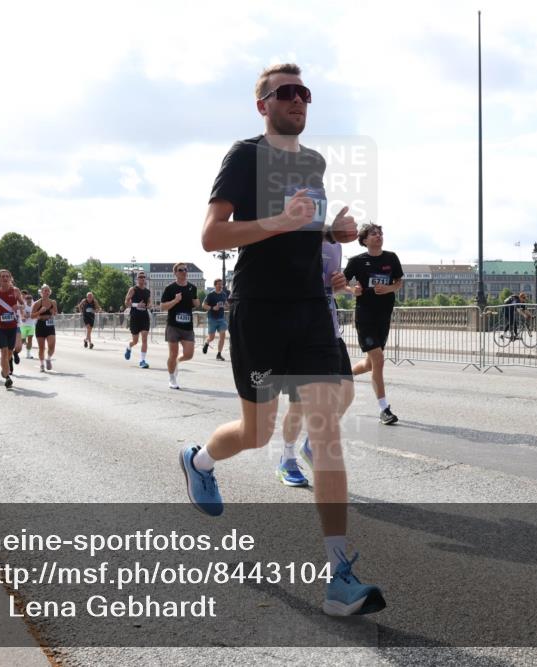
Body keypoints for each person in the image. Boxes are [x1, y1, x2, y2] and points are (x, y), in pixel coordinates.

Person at [180, 63, 384, 616]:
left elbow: (302, 222)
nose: (298, 100)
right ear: (263, 105)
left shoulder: (313, 162)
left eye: (304, 93)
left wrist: (329, 230)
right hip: (260, 311)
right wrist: (277, 220)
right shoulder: (244, 156)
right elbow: (211, 235)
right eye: (285, 93)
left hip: (310, 307)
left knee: (327, 426)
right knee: (255, 431)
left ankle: (339, 573)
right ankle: (199, 460)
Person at [276, 239, 356, 487]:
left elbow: (332, 288)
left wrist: (340, 285)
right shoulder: (286, 239)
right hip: (300, 334)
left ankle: (310, 445)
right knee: (299, 406)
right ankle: (286, 459)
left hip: (330, 331)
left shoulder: (333, 243)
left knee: (347, 393)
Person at [344, 223, 404, 425]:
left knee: (371, 363)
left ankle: (344, 373)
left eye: (380, 233)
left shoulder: (391, 258)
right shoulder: (357, 261)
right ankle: (384, 409)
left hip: (384, 316)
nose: (378, 236)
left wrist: (388, 289)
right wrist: (353, 291)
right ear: (364, 240)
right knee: (378, 360)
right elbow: (342, 282)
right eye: (373, 234)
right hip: (365, 315)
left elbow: (399, 282)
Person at [160, 262, 199, 389]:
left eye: (185, 269)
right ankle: (172, 378)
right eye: (181, 270)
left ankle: (176, 363)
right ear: (175, 273)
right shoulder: (170, 288)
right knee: (173, 353)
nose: (184, 272)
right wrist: (175, 301)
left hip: (187, 326)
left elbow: (195, 302)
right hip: (173, 326)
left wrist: (196, 302)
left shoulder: (192, 288)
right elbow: (162, 307)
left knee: (189, 354)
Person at [0, 269, 24, 389]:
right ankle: (7, 377)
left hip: (12, 326)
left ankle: (4, 370)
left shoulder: (15, 291)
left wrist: (18, 306)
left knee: (9, 353)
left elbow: (23, 305)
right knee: (4, 352)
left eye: (7, 276)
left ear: (10, 278)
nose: (5, 278)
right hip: (0, 326)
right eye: (2, 276)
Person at [124, 272, 151, 368]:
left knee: (144, 338)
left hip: (144, 317)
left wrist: (148, 305)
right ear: (137, 279)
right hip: (135, 317)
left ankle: (142, 361)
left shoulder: (147, 291)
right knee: (135, 341)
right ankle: (129, 347)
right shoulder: (133, 289)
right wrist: (136, 305)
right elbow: (126, 302)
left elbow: (149, 303)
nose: (142, 279)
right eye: (140, 277)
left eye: (144, 277)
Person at [31, 284, 58, 372]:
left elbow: (55, 313)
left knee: (52, 346)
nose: (46, 292)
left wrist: (52, 312)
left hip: (50, 325)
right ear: (41, 292)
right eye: (44, 291)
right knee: (41, 348)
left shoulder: (53, 302)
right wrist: (39, 312)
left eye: (47, 291)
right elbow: (32, 316)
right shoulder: (37, 303)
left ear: (50, 292)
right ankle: (42, 364)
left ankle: (48, 359)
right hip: (40, 326)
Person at [201, 278, 230, 360]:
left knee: (222, 336)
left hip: (221, 319)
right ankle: (207, 343)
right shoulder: (211, 295)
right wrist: (213, 308)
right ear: (215, 285)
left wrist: (226, 306)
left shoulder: (223, 294)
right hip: (212, 318)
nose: (221, 285)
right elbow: (203, 305)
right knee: (212, 337)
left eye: (221, 284)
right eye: (219, 284)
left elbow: (226, 304)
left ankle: (219, 354)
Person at [19, 291, 36, 360]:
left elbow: (34, 314)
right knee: (22, 340)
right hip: (23, 325)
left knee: (30, 339)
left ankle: (28, 354)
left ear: (31, 300)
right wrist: (24, 316)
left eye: (30, 300)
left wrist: (30, 315)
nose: (29, 301)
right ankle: (24, 343)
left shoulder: (34, 305)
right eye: (27, 300)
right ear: (25, 300)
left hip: (31, 325)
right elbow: (23, 314)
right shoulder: (24, 306)